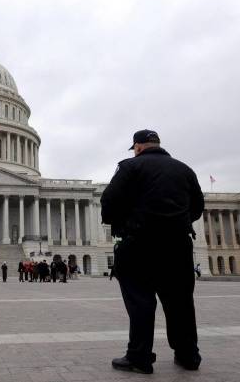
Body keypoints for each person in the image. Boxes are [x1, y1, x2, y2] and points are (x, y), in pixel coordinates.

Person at [101, 129, 204, 374]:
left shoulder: (130, 167)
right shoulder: (184, 169)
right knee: (180, 302)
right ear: (157, 144)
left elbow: (109, 202)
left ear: (137, 147)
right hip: (177, 245)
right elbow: (197, 207)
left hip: (139, 243)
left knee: (141, 302)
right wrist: (176, 222)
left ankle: (140, 357)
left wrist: (125, 224)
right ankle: (188, 354)